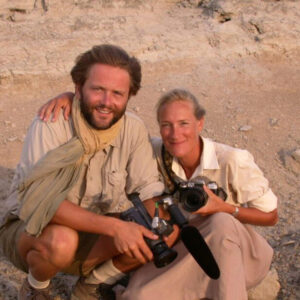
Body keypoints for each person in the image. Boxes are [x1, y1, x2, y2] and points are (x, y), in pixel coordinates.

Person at [40, 88, 278, 300]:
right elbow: (112, 126)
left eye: (184, 123)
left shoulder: (233, 160)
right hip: (186, 253)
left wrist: (224, 207)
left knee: (221, 222)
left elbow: (271, 216)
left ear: (200, 123)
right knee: (138, 295)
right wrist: (75, 98)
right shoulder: (153, 152)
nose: (175, 134)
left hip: (236, 256)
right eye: (166, 125)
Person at [0, 44, 180, 300]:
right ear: (78, 88)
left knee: (163, 227)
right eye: (98, 90)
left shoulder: (133, 129)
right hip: (35, 234)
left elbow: (148, 190)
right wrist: (115, 229)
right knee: (62, 240)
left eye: (117, 93)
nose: (107, 102)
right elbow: (42, 203)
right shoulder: (52, 122)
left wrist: (156, 223)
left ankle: (91, 285)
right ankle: (36, 287)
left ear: (129, 96)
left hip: (93, 233)